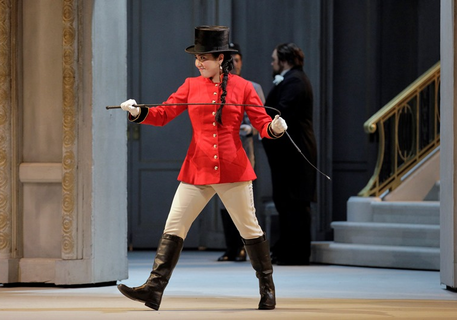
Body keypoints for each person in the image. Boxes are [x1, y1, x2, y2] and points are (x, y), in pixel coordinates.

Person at [117, 26, 288, 311]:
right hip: (197, 168)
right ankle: (153, 289)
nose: (199, 63)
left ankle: (267, 288)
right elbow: (164, 113)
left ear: (221, 58)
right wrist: (137, 112)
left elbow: (261, 125)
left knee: (249, 229)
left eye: (204, 58)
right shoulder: (190, 85)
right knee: (175, 226)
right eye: (196, 57)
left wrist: (275, 128)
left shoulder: (244, 87)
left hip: (233, 170)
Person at [261, 43, 317, 266]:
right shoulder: (293, 78)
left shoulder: (295, 81)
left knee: (294, 203)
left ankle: (296, 253)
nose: (272, 62)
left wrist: (261, 117)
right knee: (286, 202)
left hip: (295, 154)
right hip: (288, 155)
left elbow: (281, 112)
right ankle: (287, 249)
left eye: (275, 59)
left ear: (285, 60)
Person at [216, 42, 266, 262]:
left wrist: (251, 129)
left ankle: (245, 248)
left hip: (244, 148)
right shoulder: (217, 85)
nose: (233, 64)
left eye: (236, 60)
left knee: (244, 202)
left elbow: (261, 118)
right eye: (230, 61)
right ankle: (231, 247)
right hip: (221, 149)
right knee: (223, 201)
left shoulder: (252, 86)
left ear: (241, 62)